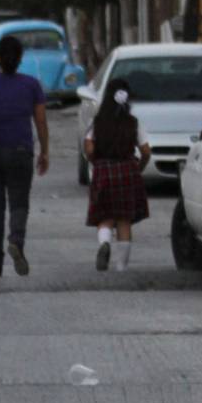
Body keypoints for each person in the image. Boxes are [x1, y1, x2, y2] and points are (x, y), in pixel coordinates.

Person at [0, 35, 50, 277]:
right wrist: (45, 151)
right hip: (20, 152)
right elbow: (40, 120)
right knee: (19, 204)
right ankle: (16, 241)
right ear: (20, 59)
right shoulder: (31, 85)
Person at [85, 78, 151, 271]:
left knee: (105, 216)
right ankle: (121, 267)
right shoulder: (133, 123)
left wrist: (96, 163)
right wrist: (139, 168)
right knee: (124, 219)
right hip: (128, 171)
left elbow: (89, 149)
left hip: (104, 170)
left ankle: (104, 244)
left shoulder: (97, 123)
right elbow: (146, 151)